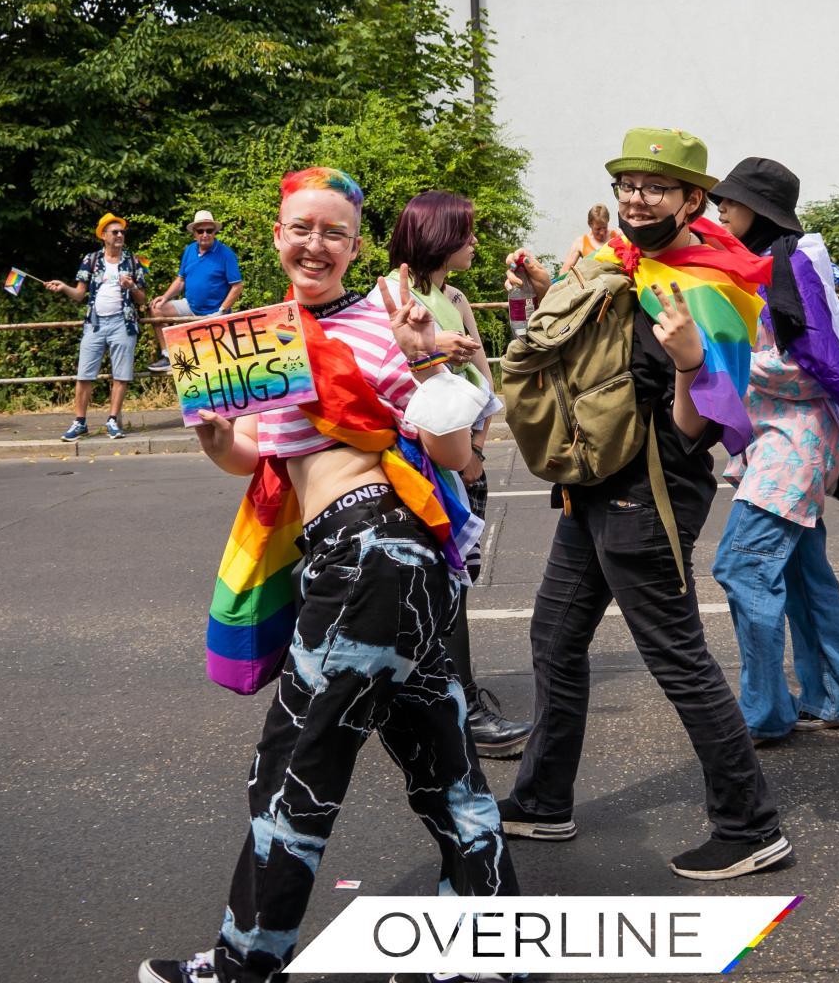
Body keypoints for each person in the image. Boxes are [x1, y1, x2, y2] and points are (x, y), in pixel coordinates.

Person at [140, 167, 516, 983]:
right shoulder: (254, 340)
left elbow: (460, 454)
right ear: (277, 236)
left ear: (354, 245)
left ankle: (246, 965)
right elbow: (259, 457)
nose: (316, 244)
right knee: (444, 766)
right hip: (379, 567)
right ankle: (499, 954)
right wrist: (212, 438)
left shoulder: (387, 323)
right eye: (301, 228)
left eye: (334, 232)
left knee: (293, 767)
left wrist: (422, 366)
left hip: (373, 557)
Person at [500, 127, 790, 881]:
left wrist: (693, 360)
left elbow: (701, 430)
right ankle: (541, 800)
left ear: (694, 199)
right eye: (628, 182)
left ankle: (751, 825)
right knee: (555, 636)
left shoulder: (711, 283)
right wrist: (540, 286)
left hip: (650, 491)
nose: (636, 195)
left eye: (655, 185)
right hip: (591, 484)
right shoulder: (623, 264)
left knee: (676, 656)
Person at [710, 157, 839, 746]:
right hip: (788, 443)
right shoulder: (777, 262)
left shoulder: (792, 266)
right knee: (804, 577)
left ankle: (764, 714)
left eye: (728, 200)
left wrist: (713, 364)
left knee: (742, 567)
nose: (718, 208)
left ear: (759, 206)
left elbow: (811, 367)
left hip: (795, 443)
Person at [383, 189, 534, 759]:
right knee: (442, 584)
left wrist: (475, 443)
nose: (474, 241)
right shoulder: (393, 293)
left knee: (453, 583)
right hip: (425, 463)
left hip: (465, 457)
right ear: (439, 236)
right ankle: (463, 707)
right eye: (466, 231)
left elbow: (481, 383)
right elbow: (397, 376)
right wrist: (434, 350)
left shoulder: (460, 296)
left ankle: (434, 697)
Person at [44, 213, 148, 441]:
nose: (120, 235)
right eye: (115, 232)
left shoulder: (133, 261)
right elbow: (79, 294)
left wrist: (131, 286)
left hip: (124, 323)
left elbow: (142, 299)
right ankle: (79, 422)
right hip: (95, 323)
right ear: (103, 236)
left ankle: (112, 420)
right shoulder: (91, 259)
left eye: (122, 232)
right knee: (84, 375)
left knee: (121, 375)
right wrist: (63, 288)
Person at [145, 210, 244, 374]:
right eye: (200, 231)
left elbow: (237, 286)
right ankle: (168, 356)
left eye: (209, 231)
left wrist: (221, 311)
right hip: (190, 305)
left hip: (215, 312)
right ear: (194, 234)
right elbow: (181, 280)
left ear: (215, 232)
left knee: (215, 365)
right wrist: (165, 297)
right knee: (156, 309)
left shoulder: (226, 254)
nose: (205, 234)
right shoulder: (190, 250)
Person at [561, 203, 613, 272]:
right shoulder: (581, 242)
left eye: (604, 227)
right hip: (592, 281)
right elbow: (565, 270)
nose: (602, 232)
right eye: (598, 229)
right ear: (590, 224)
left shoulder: (617, 236)